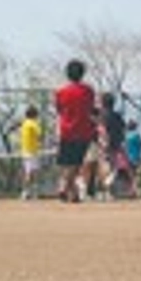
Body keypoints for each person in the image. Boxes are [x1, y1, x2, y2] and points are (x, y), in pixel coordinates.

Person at [54, 59, 97, 203]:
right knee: (76, 163)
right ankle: (65, 188)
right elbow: (91, 109)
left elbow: (59, 110)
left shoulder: (61, 92)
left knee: (67, 163)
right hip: (83, 131)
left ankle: (71, 192)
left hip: (66, 130)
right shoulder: (89, 91)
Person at [100, 92, 128, 199]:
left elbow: (102, 130)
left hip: (105, 144)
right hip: (115, 145)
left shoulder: (101, 115)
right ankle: (109, 191)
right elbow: (123, 128)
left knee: (107, 167)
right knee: (112, 166)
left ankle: (108, 190)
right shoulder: (117, 116)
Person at [19, 106, 42, 200]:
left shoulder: (24, 124)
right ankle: (28, 192)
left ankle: (27, 192)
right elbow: (39, 134)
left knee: (28, 172)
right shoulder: (33, 123)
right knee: (32, 173)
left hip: (25, 150)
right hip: (32, 151)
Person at [124, 119, 141, 197]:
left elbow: (124, 146)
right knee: (135, 175)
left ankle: (131, 191)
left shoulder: (126, 135)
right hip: (136, 157)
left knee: (131, 175)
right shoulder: (136, 135)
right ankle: (133, 191)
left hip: (128, 157)